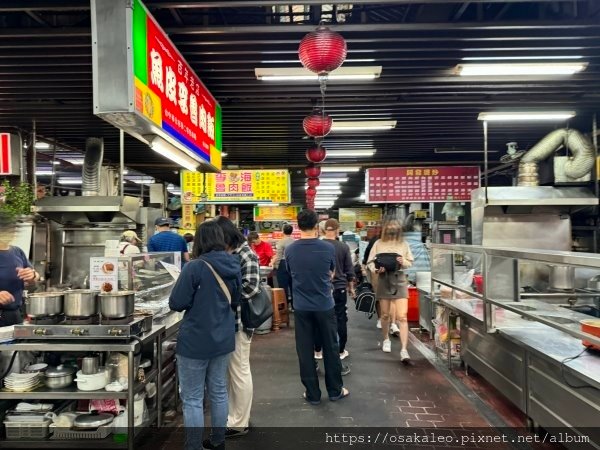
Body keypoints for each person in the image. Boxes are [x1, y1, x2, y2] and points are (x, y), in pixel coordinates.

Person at [169, 221, 242, 450]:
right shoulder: (234, 264)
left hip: (195, 341)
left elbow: (176, 302)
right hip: (223, 338)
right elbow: (237, 300)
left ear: (200, 241)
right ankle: (218, 442)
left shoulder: (195, 267)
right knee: (219, 392)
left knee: (192, 398)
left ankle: (194, 446)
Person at [285, 209, 349, 405]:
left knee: (305, 350)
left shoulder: (290, 250)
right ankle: (335, 391)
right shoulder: (328, 248)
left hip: (302, 306)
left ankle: (312, 394)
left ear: (298, 226)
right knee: (331, 347)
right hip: (324, 304)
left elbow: (290, 273)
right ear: (316, 226)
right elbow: (332, 274)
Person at [214, 216, 260, 439]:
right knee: (233, 373)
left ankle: (239, 422)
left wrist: (223, 293)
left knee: (239, 371)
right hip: (230, 322)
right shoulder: (232, 253)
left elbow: (251, 287)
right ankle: (236, 415)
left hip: (241, 323)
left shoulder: (246, 254)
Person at [367, 219, 414, 362]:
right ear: (385, 229)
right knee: (385, 315)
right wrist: (376, 269)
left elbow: (410, 262)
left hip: (399, 280)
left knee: (403, 316)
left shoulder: (404, 244)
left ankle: (404, 350)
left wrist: (403, 262)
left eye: (395, 226)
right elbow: (370, 262)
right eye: (390, 226)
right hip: (383, 279)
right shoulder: (378, 244)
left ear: (399, 229)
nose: (392, 229)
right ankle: (386, 338)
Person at [321, 219, 356, 361]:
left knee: (323, 319)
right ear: (337, 230)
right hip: (339, 287)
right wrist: (352, 289)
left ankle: (321, 349)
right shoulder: (343, 247)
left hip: (322, 289)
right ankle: (340, 350)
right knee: (340, 319)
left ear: (324, 230)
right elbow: (349, 270)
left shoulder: (319, 245)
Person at [0, 212, 40, 326]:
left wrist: (32, 275)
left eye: (13, 229)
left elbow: (34, 277)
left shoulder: (17, 252)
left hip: (15, 316)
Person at [403, 214, 431, 284]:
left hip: (408, 277)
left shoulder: (404, 241)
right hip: (419, 277)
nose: (422, 228)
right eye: (421, 225)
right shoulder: (417, 244)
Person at [362, 233, 382, 329]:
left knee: (390, 297)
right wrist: (365, 266)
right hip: (376, 270)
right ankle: (380, 318)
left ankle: (392, 321)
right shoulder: (376, 240)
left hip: (391, 272)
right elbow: (367, 254)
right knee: (378, 295)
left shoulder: (395, 241)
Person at [273, 224, 295, 309]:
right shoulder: (294, 241)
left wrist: (276, 266)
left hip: (283, 264)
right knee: (293, 286)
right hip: (293, 264)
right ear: (291, 231)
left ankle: (284, 307)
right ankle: (294, 306)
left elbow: (278, 256)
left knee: (283, 287)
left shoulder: (281, 242)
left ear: (283, 231)